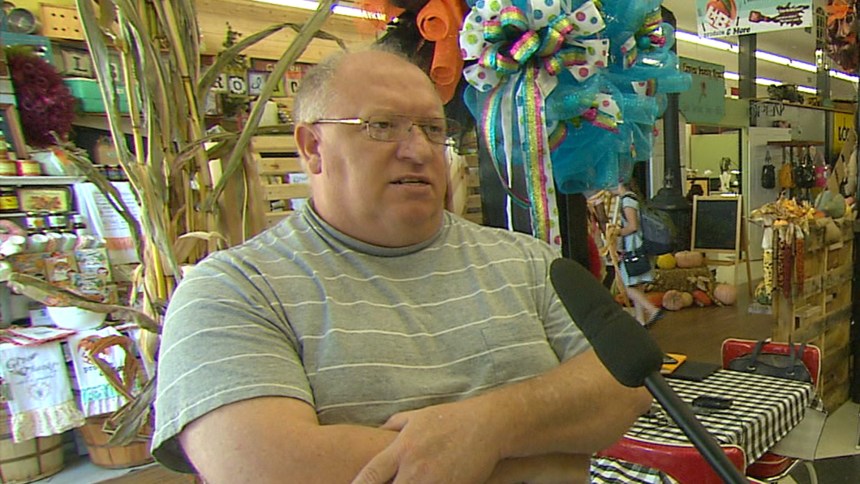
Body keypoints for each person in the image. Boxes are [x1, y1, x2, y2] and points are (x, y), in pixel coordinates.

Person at [151, 47, 651, 483]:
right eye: (382, 126)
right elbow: (265, 466)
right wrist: (540, 464)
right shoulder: (233, 290)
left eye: (432, 129)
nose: (417, 151)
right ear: (312, 148)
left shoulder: (528, 262)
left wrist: (488, 428)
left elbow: (625, 387)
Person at [612, 181, 662, 327]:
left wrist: (617, 232)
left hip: (634, 247)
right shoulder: (633, 198)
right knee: (638, 285)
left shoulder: (627, 200)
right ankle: (641, 320)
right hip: (640, 247)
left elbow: (633, 226)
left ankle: (652, 309)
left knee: (625, 286)